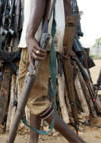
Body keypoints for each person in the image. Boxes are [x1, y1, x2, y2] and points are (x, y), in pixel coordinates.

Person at [17, 0, 86, 142]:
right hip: (52, 35)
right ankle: (33, 140)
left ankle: (76, 141)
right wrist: (66, 39)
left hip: (39, 37)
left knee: (33, 98)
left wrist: (29, 36)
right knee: (36, 92)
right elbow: (67, 5)